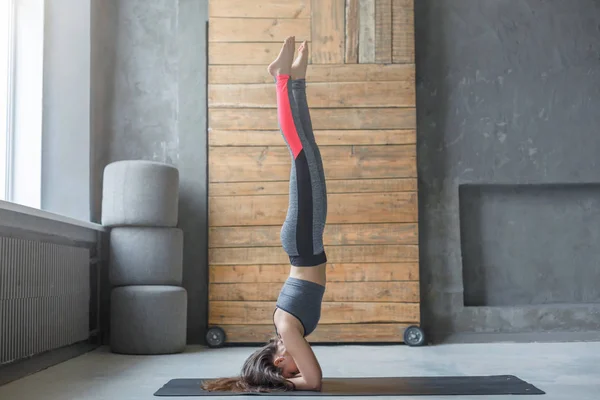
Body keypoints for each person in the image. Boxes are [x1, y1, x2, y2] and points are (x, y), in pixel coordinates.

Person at [202, 36, 327, 393]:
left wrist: (285, 386)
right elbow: (308, 375)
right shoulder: (288, 328)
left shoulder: (287, 329)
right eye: (291, 374)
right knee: (307, 150)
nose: (294, 369)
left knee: (300, 150)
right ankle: (297, 80)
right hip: (305, 240)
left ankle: (281, 78)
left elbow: (314, 381)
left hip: (304, 240)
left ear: (276, 360)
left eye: (287, 371)